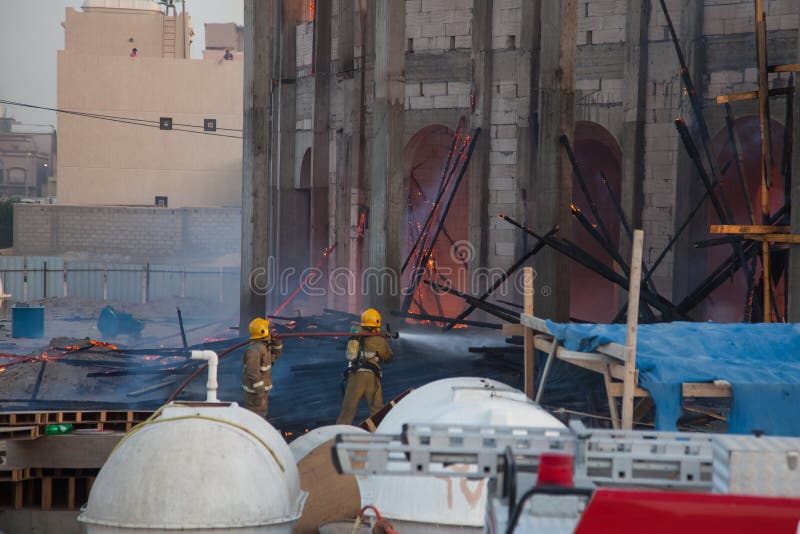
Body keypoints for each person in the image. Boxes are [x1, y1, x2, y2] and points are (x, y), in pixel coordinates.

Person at [336, 308, 394, 425]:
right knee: (376, 411)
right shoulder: (379, 340)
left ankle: (336, 437)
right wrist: (385, 342)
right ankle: (381, 435)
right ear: (377, 322)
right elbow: (388, 358)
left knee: (347, 411)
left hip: (355, 374)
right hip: (371, 377)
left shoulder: (355, 335)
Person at [242, 317, 282, 417]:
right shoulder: (254, 350)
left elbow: (275, 356)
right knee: (257, 418)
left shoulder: (264, 346)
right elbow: (252, 372)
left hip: (262, 392)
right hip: (255, 394)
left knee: (261, 415)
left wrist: (277, 342)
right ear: (263, 331)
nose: (271, 330)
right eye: (268, 329)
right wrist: (260, 393)